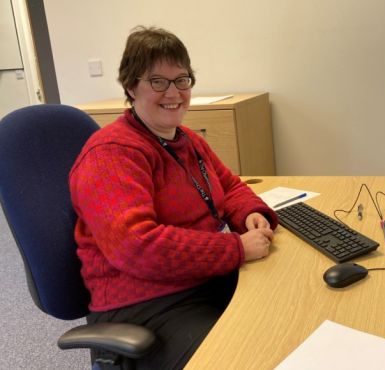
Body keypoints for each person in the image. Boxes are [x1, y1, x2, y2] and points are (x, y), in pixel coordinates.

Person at [69, 26, 278, 370]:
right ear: (131, 85)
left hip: (202, 279)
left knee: (291, 312)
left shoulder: (187, 140)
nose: (174, 92)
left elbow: (231, 188)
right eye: (157, 81)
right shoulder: (111, 154)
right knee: (246, 360)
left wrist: (250, 214)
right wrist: (237, 248)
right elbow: (137, 246)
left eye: (182, 80)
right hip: (145, 302)